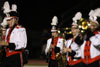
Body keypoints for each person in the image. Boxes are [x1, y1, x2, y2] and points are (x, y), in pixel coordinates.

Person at [0, 1, 27, 67]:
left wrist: (7, 44)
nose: (8, 22)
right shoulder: (8, 30)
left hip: (16, 57)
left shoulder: (21, 29)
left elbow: (22, 45)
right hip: (6, 56)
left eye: (10, 19)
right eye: (7, 20)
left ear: (15, 19)